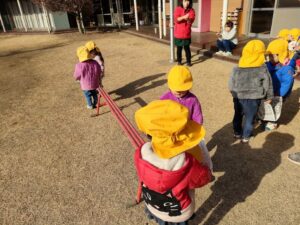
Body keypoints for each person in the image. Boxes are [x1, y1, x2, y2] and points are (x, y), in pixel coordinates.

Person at [134, 100, 212, 225]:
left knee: (161, 221)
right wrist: (207, 167)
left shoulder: (141, 154)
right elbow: (202, 178)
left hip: (154, 205)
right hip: (178, 211)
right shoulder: (187, 162)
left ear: (148, 133)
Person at [160, 65, 212, 170]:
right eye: (176, 89)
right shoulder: (165, 98)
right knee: (174, 156)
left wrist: (195, 130)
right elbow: (159, 115)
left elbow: (197, 116)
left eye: (182, 89)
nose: (179, 92)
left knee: (199, 153)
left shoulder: (192, 99)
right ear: (169, 85)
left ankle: (205, 170)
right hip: (171, 134)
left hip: (188, 133)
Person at [228, 40, 273, 143]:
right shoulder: (262, 69)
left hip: (238, 98)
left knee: (238, 115)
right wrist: (269, 97)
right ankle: (246, 136)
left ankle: (237, 133)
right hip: (254, 99)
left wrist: (234, 94)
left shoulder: (237, 68)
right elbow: (268, 84)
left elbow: (231, 84)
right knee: (250, 118)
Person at [174, 0, 195, 66]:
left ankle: (189, 62)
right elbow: (176, 19)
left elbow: (191, 20)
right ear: (182, 1)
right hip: (178, 33)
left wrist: (187, 19)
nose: (187, 3)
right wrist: (184, 17)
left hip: (186, 34)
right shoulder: (178, 9)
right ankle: (179, 61)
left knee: (187, 48)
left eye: (188, 1)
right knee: (179, 49)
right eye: (185, 1)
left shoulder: (191, 10)